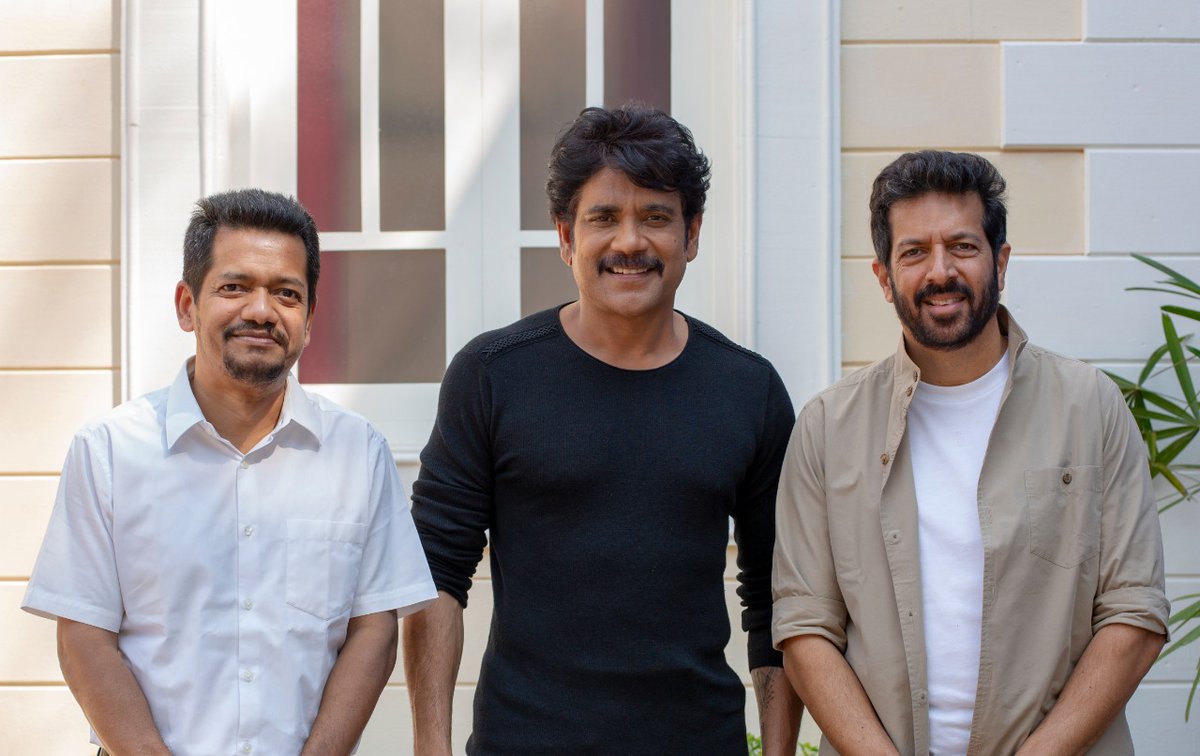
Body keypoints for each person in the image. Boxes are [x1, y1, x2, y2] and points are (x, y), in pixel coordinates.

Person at [403, 105, 803, 755]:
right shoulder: (492, 376)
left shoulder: (748, 391)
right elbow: (436, 577)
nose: (630, 242)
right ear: (566, 237)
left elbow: (777, 596)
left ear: (692, 234)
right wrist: (431, 748)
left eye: (656, 217)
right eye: (604, 217)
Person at [772, 150, 1169, 755]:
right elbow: (805, 627)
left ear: (1000, 262)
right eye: (914, 252)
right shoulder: (828, 428)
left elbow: (1134, 612)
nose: (941, 271)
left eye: (962, 246)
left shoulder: (1090, 406)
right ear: (883, 277)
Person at [22, 189, 437, 755]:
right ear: (187, 305)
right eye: (234, 287)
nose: (262, 311)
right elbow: (84, 636)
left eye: (287, 293)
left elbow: (374, 628)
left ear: (309, 319)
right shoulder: (110, 452)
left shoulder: (357, 453)